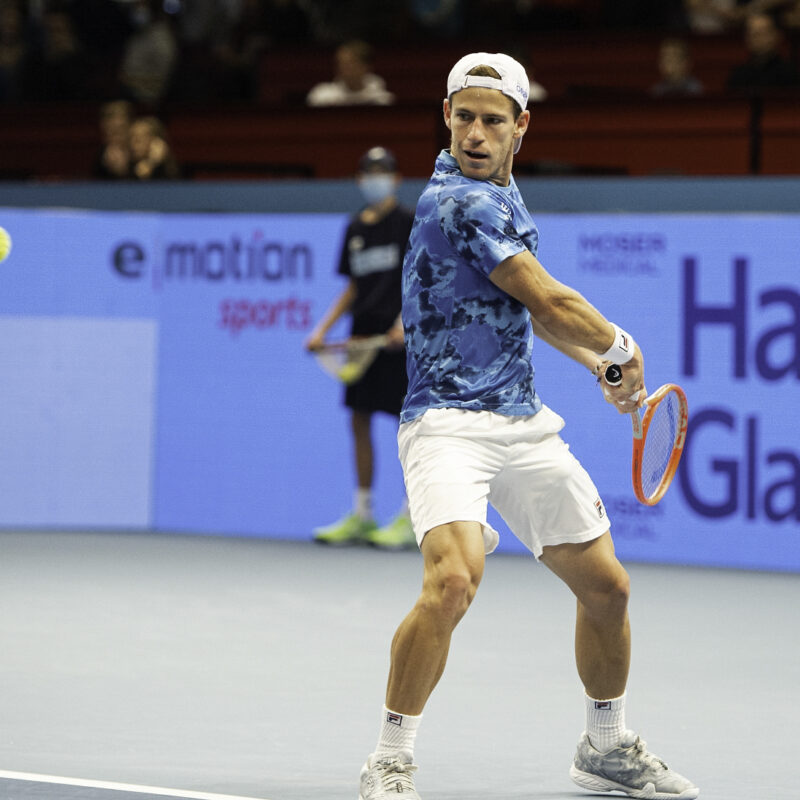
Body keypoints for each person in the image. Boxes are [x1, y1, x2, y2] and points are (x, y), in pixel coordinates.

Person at [357, 53, 700, 799]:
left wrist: (593, 364)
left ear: (521, 127)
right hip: (446, 424)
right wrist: (620, 347)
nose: (475, 135)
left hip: (521, 422)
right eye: (463, 118)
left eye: (492, 121)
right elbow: (550, 300)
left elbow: (522, 310)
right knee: (452, 582)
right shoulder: (459, 202)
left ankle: (604, 748)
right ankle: (390, 757)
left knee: (607, 588)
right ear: (446, 118)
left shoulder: (505, 194)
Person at [306, 147, 416, 550]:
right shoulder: (354, 227)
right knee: (359, 420)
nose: (376, 179)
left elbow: (421, 277)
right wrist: (322, 330)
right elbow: (352, 288)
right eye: (369, 173)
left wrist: (403, 322)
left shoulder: (407, 222)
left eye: (383, 172)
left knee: (407, 428)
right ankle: (363, 514)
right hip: (361, 340)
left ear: (396, 179)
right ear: (359, 180)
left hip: (399, 339)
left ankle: (411, 516)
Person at [306, 40, 394, 106]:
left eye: (350, 64)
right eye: (340, 63)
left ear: (366, 66)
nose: (343, 68)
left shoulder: (382, 100)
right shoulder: (321, 96)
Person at [726, 11, 800, 90]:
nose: (756, 37)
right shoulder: (739, 74)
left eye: (762, 32)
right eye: (752, 33)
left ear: (777, 35)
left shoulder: (789, 73)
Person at [128, 115, 180, 180]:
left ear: (157, 141)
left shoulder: (166, 169)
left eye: (142, 137)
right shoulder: (125, 164)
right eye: (132, 137)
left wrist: (152, 162)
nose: (135, 142)